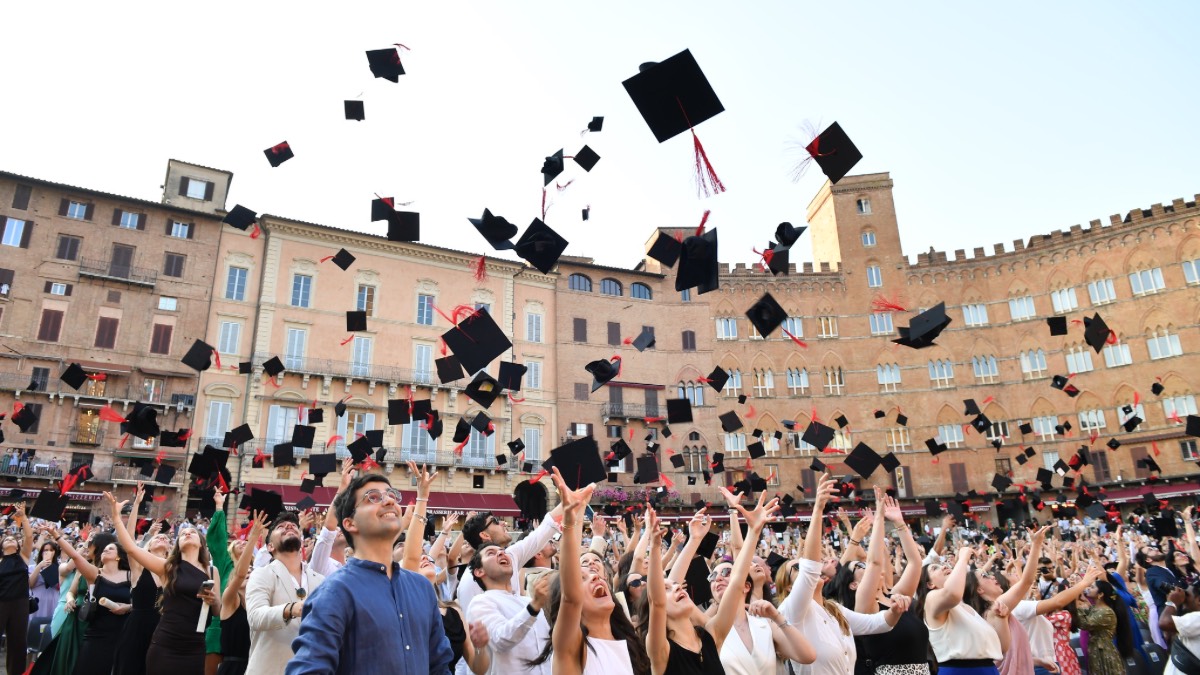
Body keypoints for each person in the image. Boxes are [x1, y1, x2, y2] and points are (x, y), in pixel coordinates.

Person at [286, 472, 454, 674]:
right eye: (373, 497)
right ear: (350, 523)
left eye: (391, 494)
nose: (389, 501)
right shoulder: (335, 592)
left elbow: (439, 666)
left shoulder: (422, 588)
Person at [529, 467, 651, 675]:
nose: (594, 575)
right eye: (582, 578)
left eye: (594, 571)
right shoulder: (572, 647)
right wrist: (571, 520)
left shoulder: (630, 642)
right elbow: (571, 597)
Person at [782, 476, 904, 675]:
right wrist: (818, 509)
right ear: (788, 587)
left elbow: (876, 624)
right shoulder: (792, 610)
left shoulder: (833, 610)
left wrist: (896, 611)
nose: (805, 567)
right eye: (797, 568)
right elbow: (810, 568)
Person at [106, 491, 221, 675]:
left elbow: (217, 611)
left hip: (195, 644)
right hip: (166, 642)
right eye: (183, 533)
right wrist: (116, 517)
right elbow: (131, 549)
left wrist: (214, 600)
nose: (188, 533)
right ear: (177, 545)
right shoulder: (168, 567)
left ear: (201, 543)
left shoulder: (212, 570)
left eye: (193, 532)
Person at [400, 463, 490, 675]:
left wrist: (482, 646)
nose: (424, 558)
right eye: (418, 560)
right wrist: (422, 498)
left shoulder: (454, 612)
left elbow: (478, 668)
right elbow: (412, 555)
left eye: (426, 558)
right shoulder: (404, 604)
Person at [246, 510, 325, 675]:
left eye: (294, 526)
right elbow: (255, 617)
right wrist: (291, 609)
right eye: (281, 527)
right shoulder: (261, 574)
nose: (289, 526)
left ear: (301, 541)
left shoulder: (320, 580)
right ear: (270, 546)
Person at [52, 524, 132, 675]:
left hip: (123, 633)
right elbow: (75, 557)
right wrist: (56, 536)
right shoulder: (95, 573)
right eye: (104, 549)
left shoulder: (131, 575)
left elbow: (141, 602)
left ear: (119, 556)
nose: (105, 550)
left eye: (110, 549)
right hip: (96, 633)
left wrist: (128, 607)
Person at [466, 543, 554, 675]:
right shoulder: (481, 602)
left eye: (503, 551)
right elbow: (501, 640)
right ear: (479, 572)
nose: (501, 553)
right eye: (491, 553)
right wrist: (534, 606)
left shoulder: (528, 601)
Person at [113, 487, 172, 675]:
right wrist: (136, 504)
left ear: (170, 548)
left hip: (164, 628)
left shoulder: (173, 572)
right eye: (157, 537)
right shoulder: (139, 567)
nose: (161, 538)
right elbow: (129, 540)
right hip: (136, 628)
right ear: (148, 545)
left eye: (165, 538)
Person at [217, 511, 267, 675]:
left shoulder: (259, 604)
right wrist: (253, 538)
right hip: (233, 669)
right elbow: (239, 574)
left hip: (256, 666)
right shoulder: (229, 599)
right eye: (246, 571)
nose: (248, 573)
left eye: (252, 571)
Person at [0, 503, 34, 675]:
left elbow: (29, 536)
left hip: (20, 603)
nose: (10, 540)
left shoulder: (23, 556)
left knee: (18, 643)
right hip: (1, 603)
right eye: (6, 539)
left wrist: (24, 517)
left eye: (13, 539)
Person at [1077, 578, 1135, 675]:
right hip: (1096, 650)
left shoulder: (1106, 612)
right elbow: (1080, 615)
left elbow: (1085, 623)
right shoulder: (1094, 609)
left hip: (1104, 652)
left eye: (1092, 587)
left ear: (1100, 594)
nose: (1089, 589)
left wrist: (1076, 604)